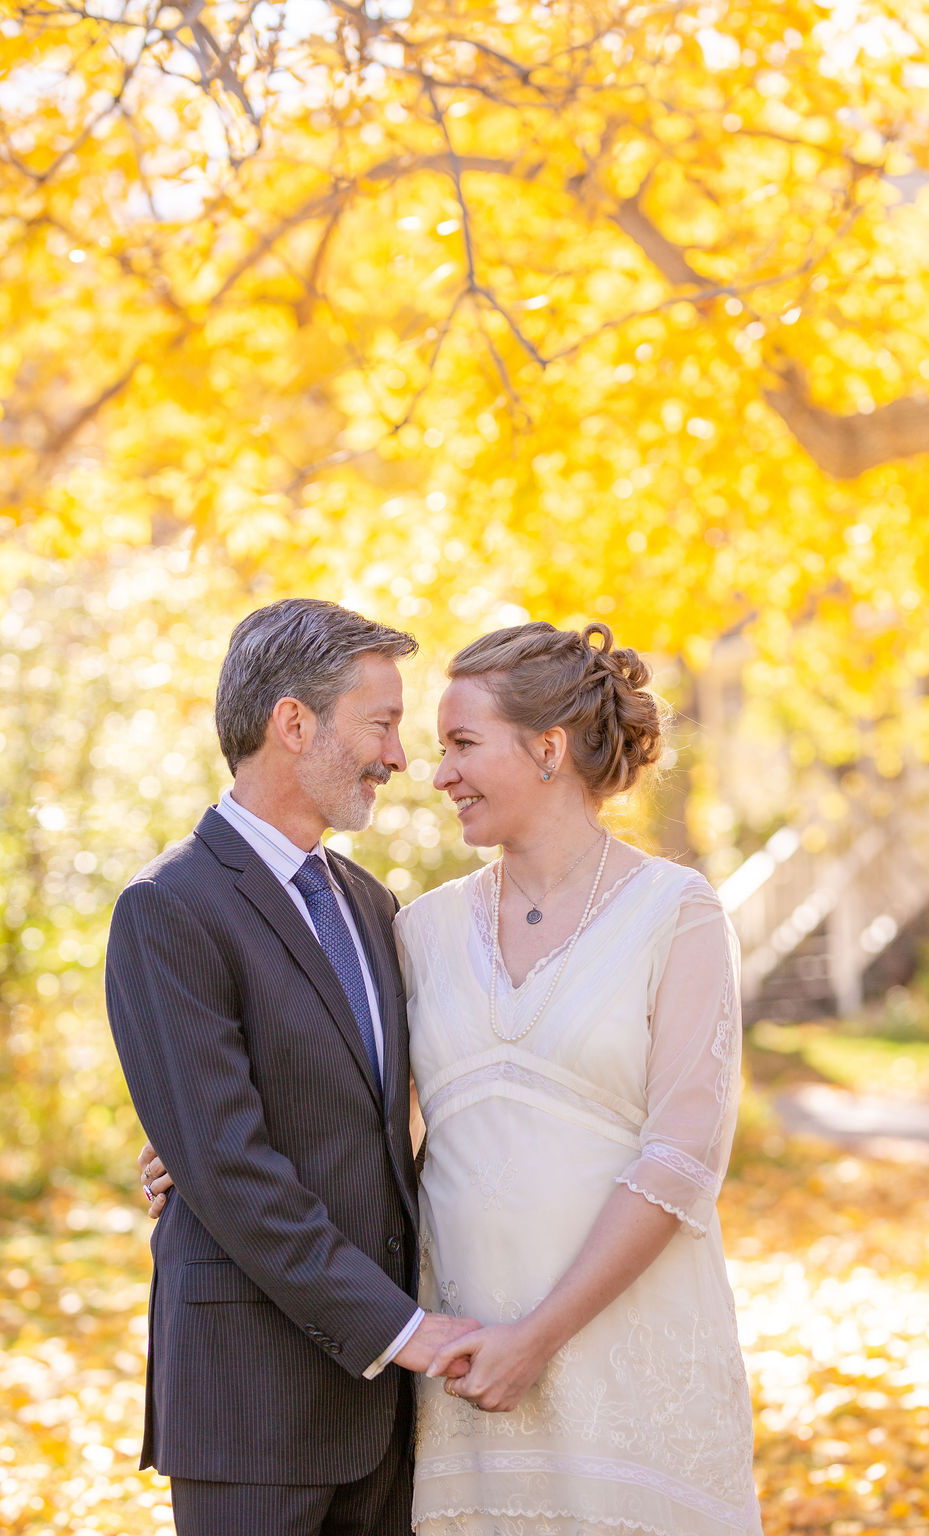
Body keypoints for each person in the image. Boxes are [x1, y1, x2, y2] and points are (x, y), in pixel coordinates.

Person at [143, 616, 763, 1536]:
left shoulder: (669, 912)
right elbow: (316, 1093)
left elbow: (682, 1157)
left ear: (549, 749)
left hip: (622, 1347)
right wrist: (186, 1150)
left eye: (460, 744)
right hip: (460, 1366)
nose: (429, 770)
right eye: (419, 740)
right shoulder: (418, 928)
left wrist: (537, 1337)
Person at [105, 598, 478, 1536]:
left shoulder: (368, 902)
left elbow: (374, 1115)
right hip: (251, 1404)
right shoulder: (169, 908)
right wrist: (402, 1331)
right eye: (382, 723)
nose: (399, 757)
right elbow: (229, 1165)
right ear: (294, 722)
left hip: (385, 1417)